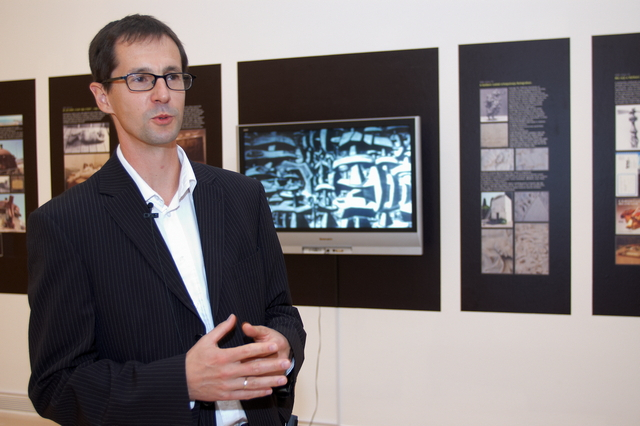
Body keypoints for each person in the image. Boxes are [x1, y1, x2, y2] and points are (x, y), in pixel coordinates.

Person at [27, 14, 305, 426]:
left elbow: (280, 309)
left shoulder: (243, 196)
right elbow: (57, 385)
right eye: (140, 79)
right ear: (103, 97)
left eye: (172, 77)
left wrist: (283, 345)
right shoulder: (65, 224)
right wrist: (181, 382)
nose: (162, 94)